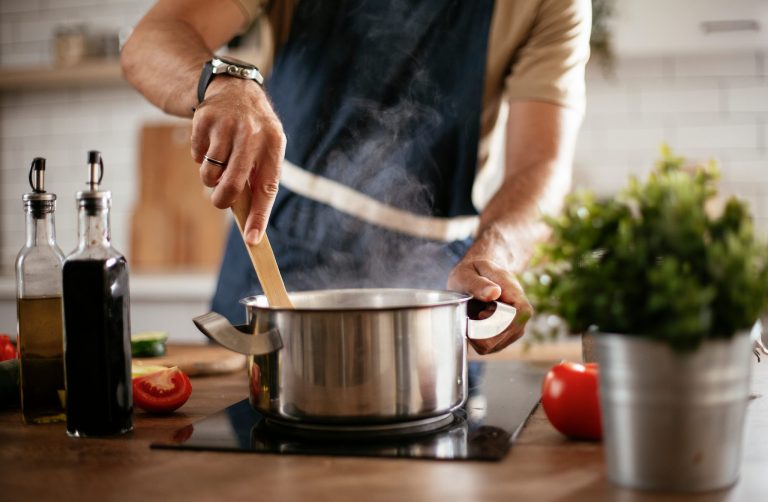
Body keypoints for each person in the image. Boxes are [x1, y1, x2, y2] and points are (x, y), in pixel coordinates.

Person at [121, 0, 590, 355]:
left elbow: (541, 165)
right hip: (277, 254)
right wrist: (221, 82)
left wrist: (499, 254)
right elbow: (153, 39)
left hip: (436, 283)